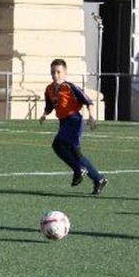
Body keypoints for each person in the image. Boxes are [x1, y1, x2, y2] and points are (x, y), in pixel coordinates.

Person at [39, 58, 108, 195]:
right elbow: (50, 105)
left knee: (58, 144)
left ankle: (78, 169)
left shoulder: (70, 87)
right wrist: (44, 114)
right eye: (53, 72)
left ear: (65, 73)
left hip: (74, 120)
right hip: (64, 122)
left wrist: (92, 116)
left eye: (58, 72)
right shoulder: (49, 89)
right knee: (76, 153)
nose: (55, 75)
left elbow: (88, 101)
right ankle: (99, 179)